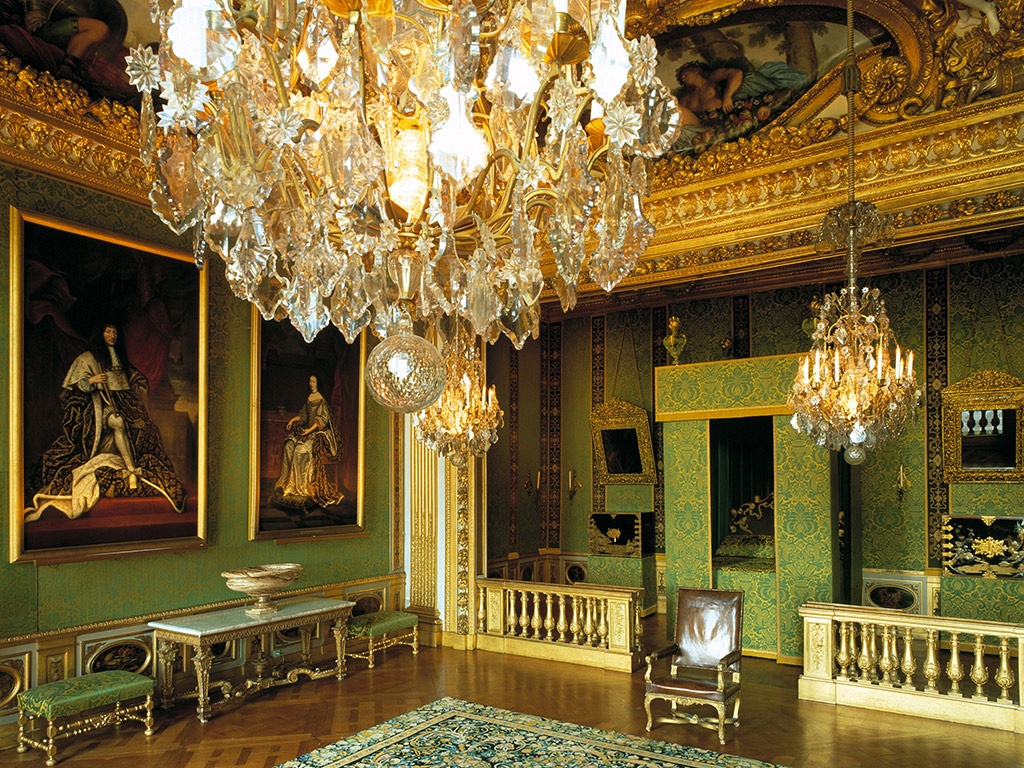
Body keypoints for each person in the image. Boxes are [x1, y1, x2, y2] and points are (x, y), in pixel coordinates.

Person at [25, 322, 186, 521]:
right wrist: (92, 381)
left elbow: (131, 379)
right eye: (108, 331)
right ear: (100, 334)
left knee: (147, 429)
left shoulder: (119, 358)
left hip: (122, 403)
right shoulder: (88, 358)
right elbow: (74, 388)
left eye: (115, 331)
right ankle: (130, 470)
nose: (112, 335)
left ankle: (133, 467)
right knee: (118, 422)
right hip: (97, 408)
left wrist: (137, 382)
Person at [272, 374, 344, 510]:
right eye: (310, 381)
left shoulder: (321, 400)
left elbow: (322, 420)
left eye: (313, 382)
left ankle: (300, 487)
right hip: (307, 430)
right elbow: (304, 416)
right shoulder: (310, 398)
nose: (311, 384)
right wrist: (292, 420)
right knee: (288, 445)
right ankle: (286, 484)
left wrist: (309, 431)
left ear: (318, 384)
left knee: (299, 451)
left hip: (317, 433)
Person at [22, 0, 126, 80]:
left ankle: (70, 67)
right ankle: (66, 68)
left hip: (58, 25)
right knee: (99, 29)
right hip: (41, 28)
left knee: (100, 31)